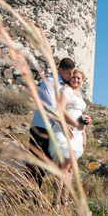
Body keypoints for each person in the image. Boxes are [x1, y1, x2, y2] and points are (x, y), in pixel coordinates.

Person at [27, 57, 81, 187]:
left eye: (72, 73)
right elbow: (50, 106)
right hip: (41, 127)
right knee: (35, 163)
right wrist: (63, 124)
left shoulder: (67, 87)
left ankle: (34, 195)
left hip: (54, 131)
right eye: (68, 73)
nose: (70, 76)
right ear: (60, 70)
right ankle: (27, 196)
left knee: (46, 164)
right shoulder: (49, 82)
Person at [47, 68, 88, 206]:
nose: (76, 80)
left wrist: (83, 134)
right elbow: (61, 108)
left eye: (79, 78)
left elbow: (81, 116)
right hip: (66, 130)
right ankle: (55, 202)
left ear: (82, 81)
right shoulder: (67, 90)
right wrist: (75, 124)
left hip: (76, 133)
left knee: (70, 169)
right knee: (63, 167)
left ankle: (64, 201)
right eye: (74, 77)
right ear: (70, 78)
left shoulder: (79, 95)